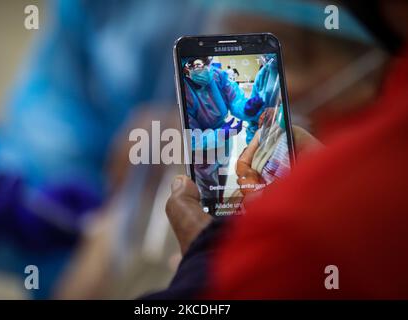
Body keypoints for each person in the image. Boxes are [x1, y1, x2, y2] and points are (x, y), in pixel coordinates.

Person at [149, 0, 408, 299]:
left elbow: (240, 106)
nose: (290, 83)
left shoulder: (301, 225)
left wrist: (206, 265)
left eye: (298, 55)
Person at [183, 57, 267, 202]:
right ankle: (211, 211)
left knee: (222, 178)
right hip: (203, 151)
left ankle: (220, 202)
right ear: (185, 67)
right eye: (197, 65)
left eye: (207, 62)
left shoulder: (217, 75)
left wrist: (247, 109)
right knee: (208, 188)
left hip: (224, 139)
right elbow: (192, 139)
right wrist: (221, 134)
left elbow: (235, 100)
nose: (206, 68)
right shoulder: (183, 91)